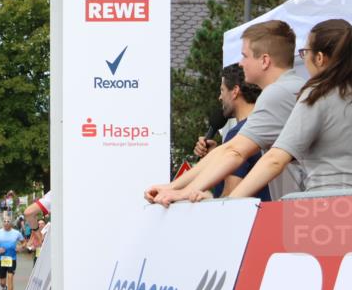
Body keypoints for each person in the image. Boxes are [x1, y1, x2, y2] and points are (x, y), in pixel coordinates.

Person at [146, 20, 304, 206]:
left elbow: (235, 152)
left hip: (311, 208)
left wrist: (183, 192)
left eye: (245, 56)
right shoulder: (291, 88)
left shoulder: (278, 93)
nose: (240, 63)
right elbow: (226, 150)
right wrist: (174, 187)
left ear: (265, 60)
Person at [223, 19, 352, 198]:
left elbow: (275, 160)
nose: (304, 58)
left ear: (320, 58)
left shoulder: (317, 95)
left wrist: (230, 201)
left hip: (327, 204)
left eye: (305, 52)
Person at [192, 65, 268, 200]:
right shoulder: (266, 126)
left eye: (222, 90)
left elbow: (231, 197)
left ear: (235, 91)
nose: (220, 97)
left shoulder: (239, 135)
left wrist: (207, 198)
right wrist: (216, 156)